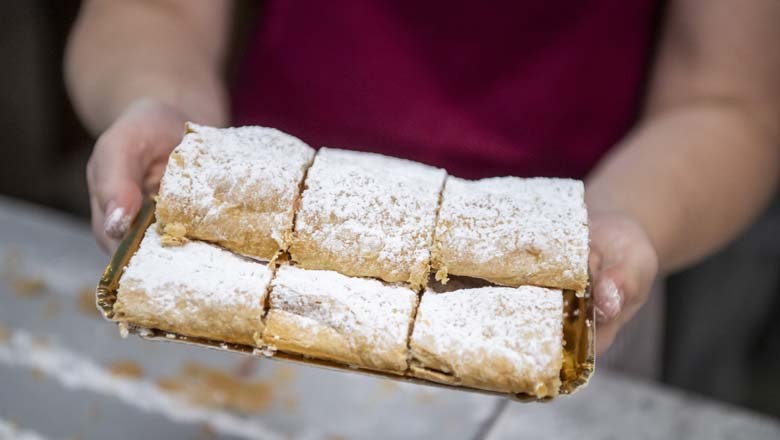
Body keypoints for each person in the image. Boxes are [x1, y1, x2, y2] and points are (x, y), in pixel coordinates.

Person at [65, 0, 780, 357]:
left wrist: (622, 222)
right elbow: (151, 11)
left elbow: (728, 99)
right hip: (255, 246)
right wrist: (165, 110)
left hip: (571, 265)